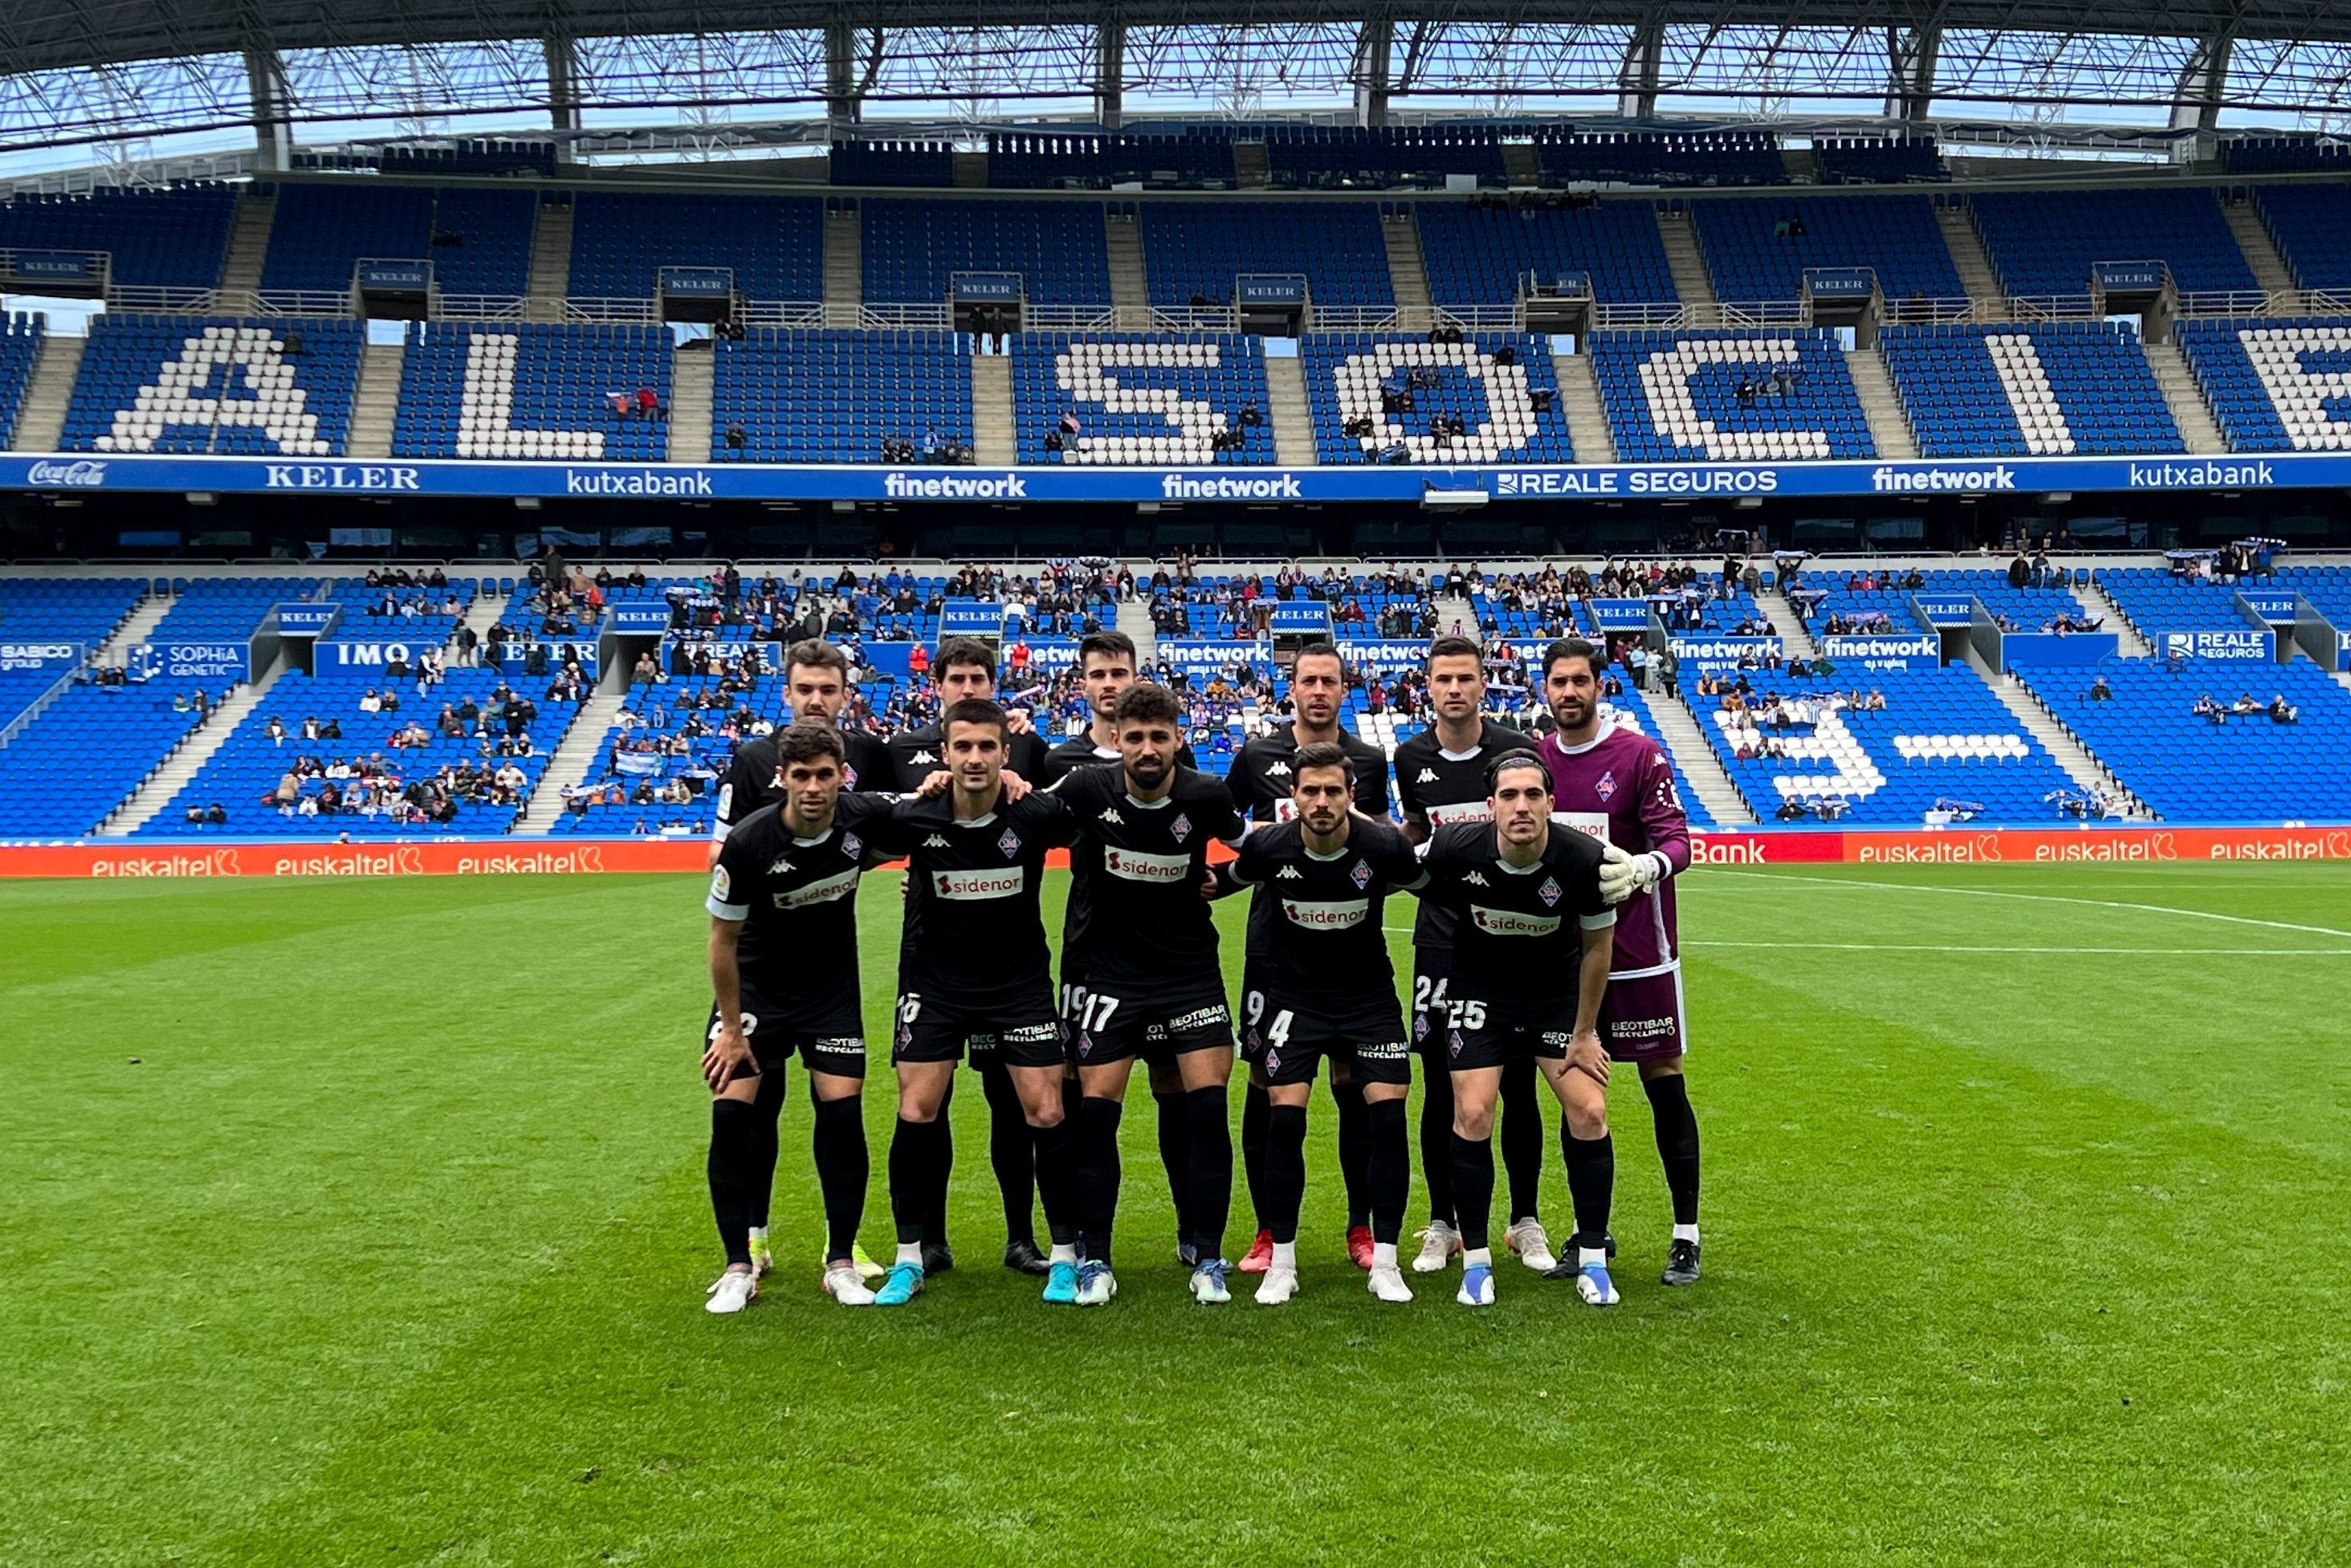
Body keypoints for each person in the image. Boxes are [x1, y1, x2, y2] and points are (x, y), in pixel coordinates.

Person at [862, 699, 1079, 1308]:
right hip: (936, 986)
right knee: (917, 1107)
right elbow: (850, 823)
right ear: (945, 754)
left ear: (1005, 755)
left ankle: (1065, 1256)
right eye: (963, 747)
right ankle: (910, 1258)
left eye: (987, 747)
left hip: (1018, 985)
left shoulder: (1034, 814)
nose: (976, 758)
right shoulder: (917, 816)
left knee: (1045, 1112)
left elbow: (1098, 808)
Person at [1049, 682, 1248, 1306]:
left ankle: (1208, 1256)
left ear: (1178, 740)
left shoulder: (1206, 795)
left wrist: (1229, 881)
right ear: (1115, 741)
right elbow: (1026, 818)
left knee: (1208, 1110)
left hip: (1189, 971)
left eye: (1159, 736)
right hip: (1110, 975)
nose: (1146, 748)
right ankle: (1096, 1258)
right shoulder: (1085, 788)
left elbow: (1258, 845)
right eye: (1134, 737)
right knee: (1097, 1112)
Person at [1211, 743, 1424, 1305]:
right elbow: (1219, 880)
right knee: (1285, 1122)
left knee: (1386, 1118)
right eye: (1311, 790)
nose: (1323, 801)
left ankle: (1386, 1259)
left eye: (1334, 790)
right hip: (1294, 1000)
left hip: (1368, 1000)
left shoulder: (1382, 847)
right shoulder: (1268, 847)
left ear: (1352, 796)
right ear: (1293, 796)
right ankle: (1283, 1260)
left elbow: (1439, 881)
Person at [699, 723, 892, 1313]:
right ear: (782, 777)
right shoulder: (751, 842)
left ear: (841, 776)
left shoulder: (862, 819)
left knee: (841, 1114)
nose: (813, 786)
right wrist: (731, 1031)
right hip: (756, 989)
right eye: (801, 775)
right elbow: (721, 941)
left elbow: (923, 814)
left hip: (829, 991)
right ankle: (738, 1265)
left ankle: (839, 1263)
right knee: (733, 1114)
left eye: (824, 774)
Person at [1415, 751, 1620, 1307]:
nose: (1522, 805)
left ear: (1552, 803)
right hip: (1481, 993)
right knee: (1474, 1111)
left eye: (1533, 794)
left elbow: (1599, 947)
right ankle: (1477, 1261)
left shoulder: (1584, 860)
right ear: (1491, 806)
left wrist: (1584, 1032)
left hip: (1554, 1000)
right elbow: (1394, 865)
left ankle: (1595, 1260)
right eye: (1510, 796)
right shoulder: (1455, 848)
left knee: (1590, 1111)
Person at [1536, 637, 1705, 1289]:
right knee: (1579, 1087)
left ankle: (1686, 1234)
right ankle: (1588, 1232)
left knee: (1664, 1081)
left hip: (1639, 952)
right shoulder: (1537, 758)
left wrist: (1645, 866)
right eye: (1559, 682)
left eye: (1581, 680)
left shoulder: (1638, 754)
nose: (1570, 692)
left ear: (1600, 685)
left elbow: (1677, 840)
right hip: (1565, 956)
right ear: (1545, 689)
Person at [1224, 643, 1391, 1275]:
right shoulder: (1257, 755)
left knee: (1356, 1090)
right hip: (1274, 948)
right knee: (1266, 1085)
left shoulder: (1370, 761)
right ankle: (1268, 1230)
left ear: (1344, 689)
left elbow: (1385, 841)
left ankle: (1361, 1225)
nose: (1318, 689)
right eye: (1307, 680)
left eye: (1329, 680)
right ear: (1290, 688)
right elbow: (1223, 817)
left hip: (1352, 951)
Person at [1391, 636, 1554, 1277]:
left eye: (1466, 677)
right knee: (1440, 1085)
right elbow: (1414, 835)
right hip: (1439, 944)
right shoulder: (1410, 757)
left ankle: (1524, 1219)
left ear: (1484, 683)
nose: (1454, 688)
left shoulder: (1518, 750)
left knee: (1517, 1083)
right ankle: (1443, 1221)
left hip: (1512, 945)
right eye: (1443, 678)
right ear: (1426, 686)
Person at [709, 638, 890, 868]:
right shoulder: (753, 759)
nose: (816, 701)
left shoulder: (868, 752)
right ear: (787, 695)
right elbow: (718, 853)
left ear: (845, 698)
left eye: (828, 690)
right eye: (805, 690)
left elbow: (899, 823)